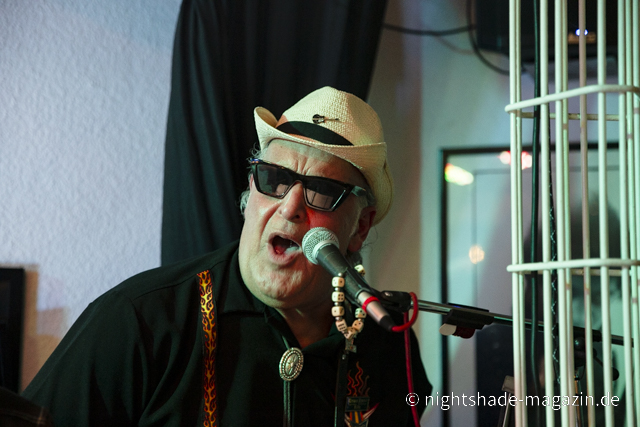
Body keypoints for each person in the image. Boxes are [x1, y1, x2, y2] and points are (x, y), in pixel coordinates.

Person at [22, 86, 431, 426]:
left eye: (321, 191)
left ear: (360, 226)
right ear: (249, 193)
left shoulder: (388, 343)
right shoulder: (139, 321)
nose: (289, 207)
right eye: (274, 178)